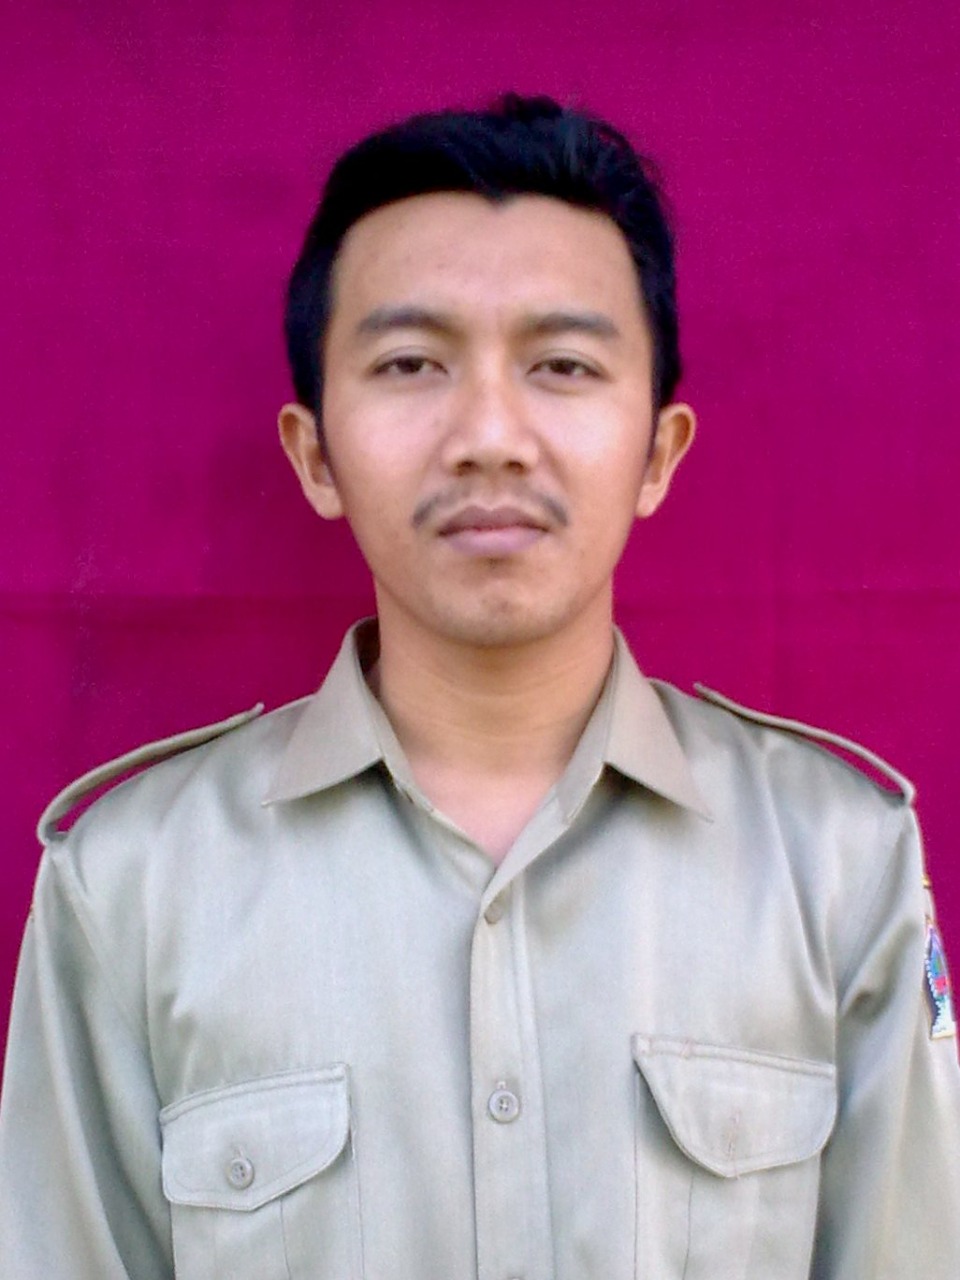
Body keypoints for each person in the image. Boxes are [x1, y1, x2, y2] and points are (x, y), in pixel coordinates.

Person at [1, 93, 957, 1279]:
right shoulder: (131, 884)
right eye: (412, 363)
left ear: (657, 453)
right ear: (315, 453)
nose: (490, 434)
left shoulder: (835, 862)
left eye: (562, 363)